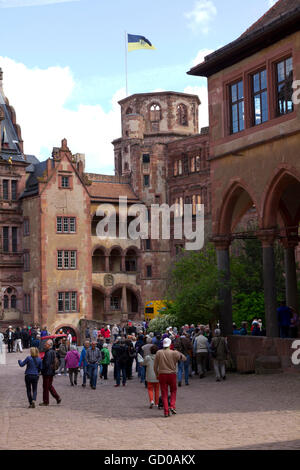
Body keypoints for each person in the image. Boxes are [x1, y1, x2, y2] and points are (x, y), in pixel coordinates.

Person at [154, 337, 186, 417]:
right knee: (173, 391)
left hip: (162, 374)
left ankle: (166, 411)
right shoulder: (174, 353)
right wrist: (178, 352)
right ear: (170, 344)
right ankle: (172, 405)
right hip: (172, 374)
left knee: (164, 393)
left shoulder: (159, 352)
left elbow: (155, 366)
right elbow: (184, 358)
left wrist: (156, 374)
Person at [39, 340, 61, 406]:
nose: (45, 345)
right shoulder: (53, 351)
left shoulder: (48, 352)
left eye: (46, 344)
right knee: (49, 386)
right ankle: (57, 397)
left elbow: (47, 363)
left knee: (46, 387)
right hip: (51, 371)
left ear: (49, 345)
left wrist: (42, 369)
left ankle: (46, 401)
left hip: (47, 372)